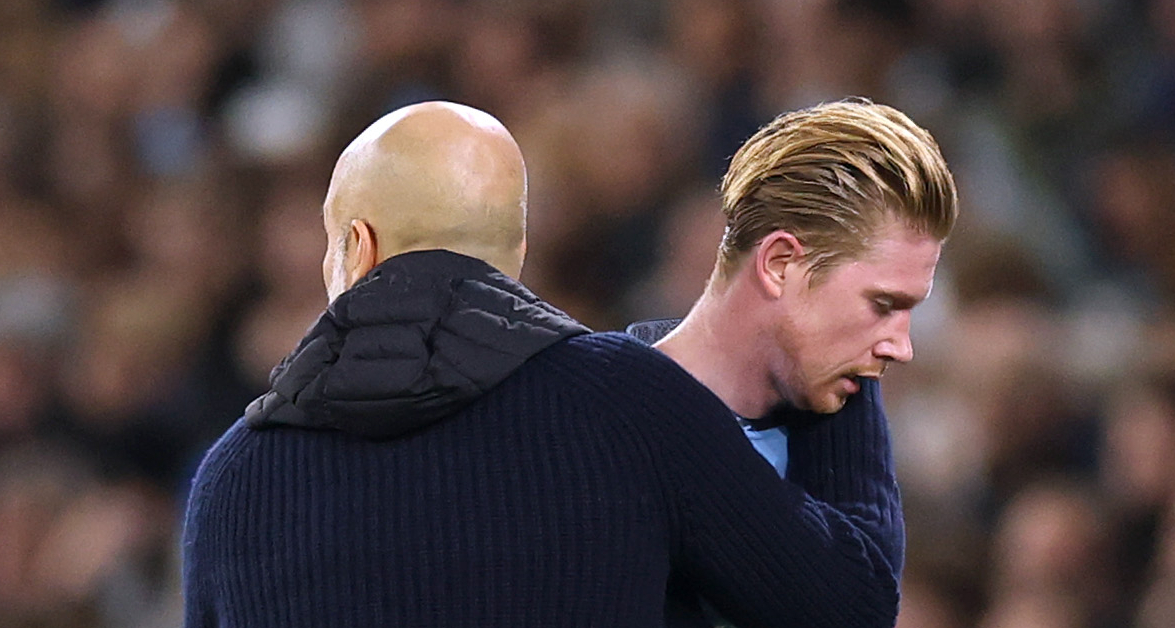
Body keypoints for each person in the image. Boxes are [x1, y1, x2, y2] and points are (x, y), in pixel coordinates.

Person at [182, 100, 916, 628]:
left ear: (356, 248)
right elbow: (844, 604)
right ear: (516, 254)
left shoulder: (230, 481)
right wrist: (836, 367)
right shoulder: (630, 403)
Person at [629, 98, 959, 626]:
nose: (903, 347)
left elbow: (857, 608)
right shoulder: (585, 419)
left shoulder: (842, 430)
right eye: (882, 305)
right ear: (781, 264)